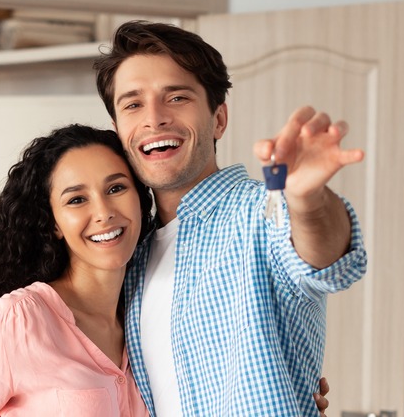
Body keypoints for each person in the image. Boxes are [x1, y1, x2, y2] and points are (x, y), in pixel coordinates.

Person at [93, 21, 367, 416]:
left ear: (218, 119)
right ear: (119, 131)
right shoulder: (126, 256)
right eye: (133, 104)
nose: (154, 119)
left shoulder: (261, 213)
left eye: (177, 97)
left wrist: (307, 199)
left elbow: (325, 259)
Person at [0, 124, 154, 416]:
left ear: (140, 200)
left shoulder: (148, 319)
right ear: (53, 223)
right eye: (76, 200)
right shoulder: (17, 321)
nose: (104, 213)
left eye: (116, 188)